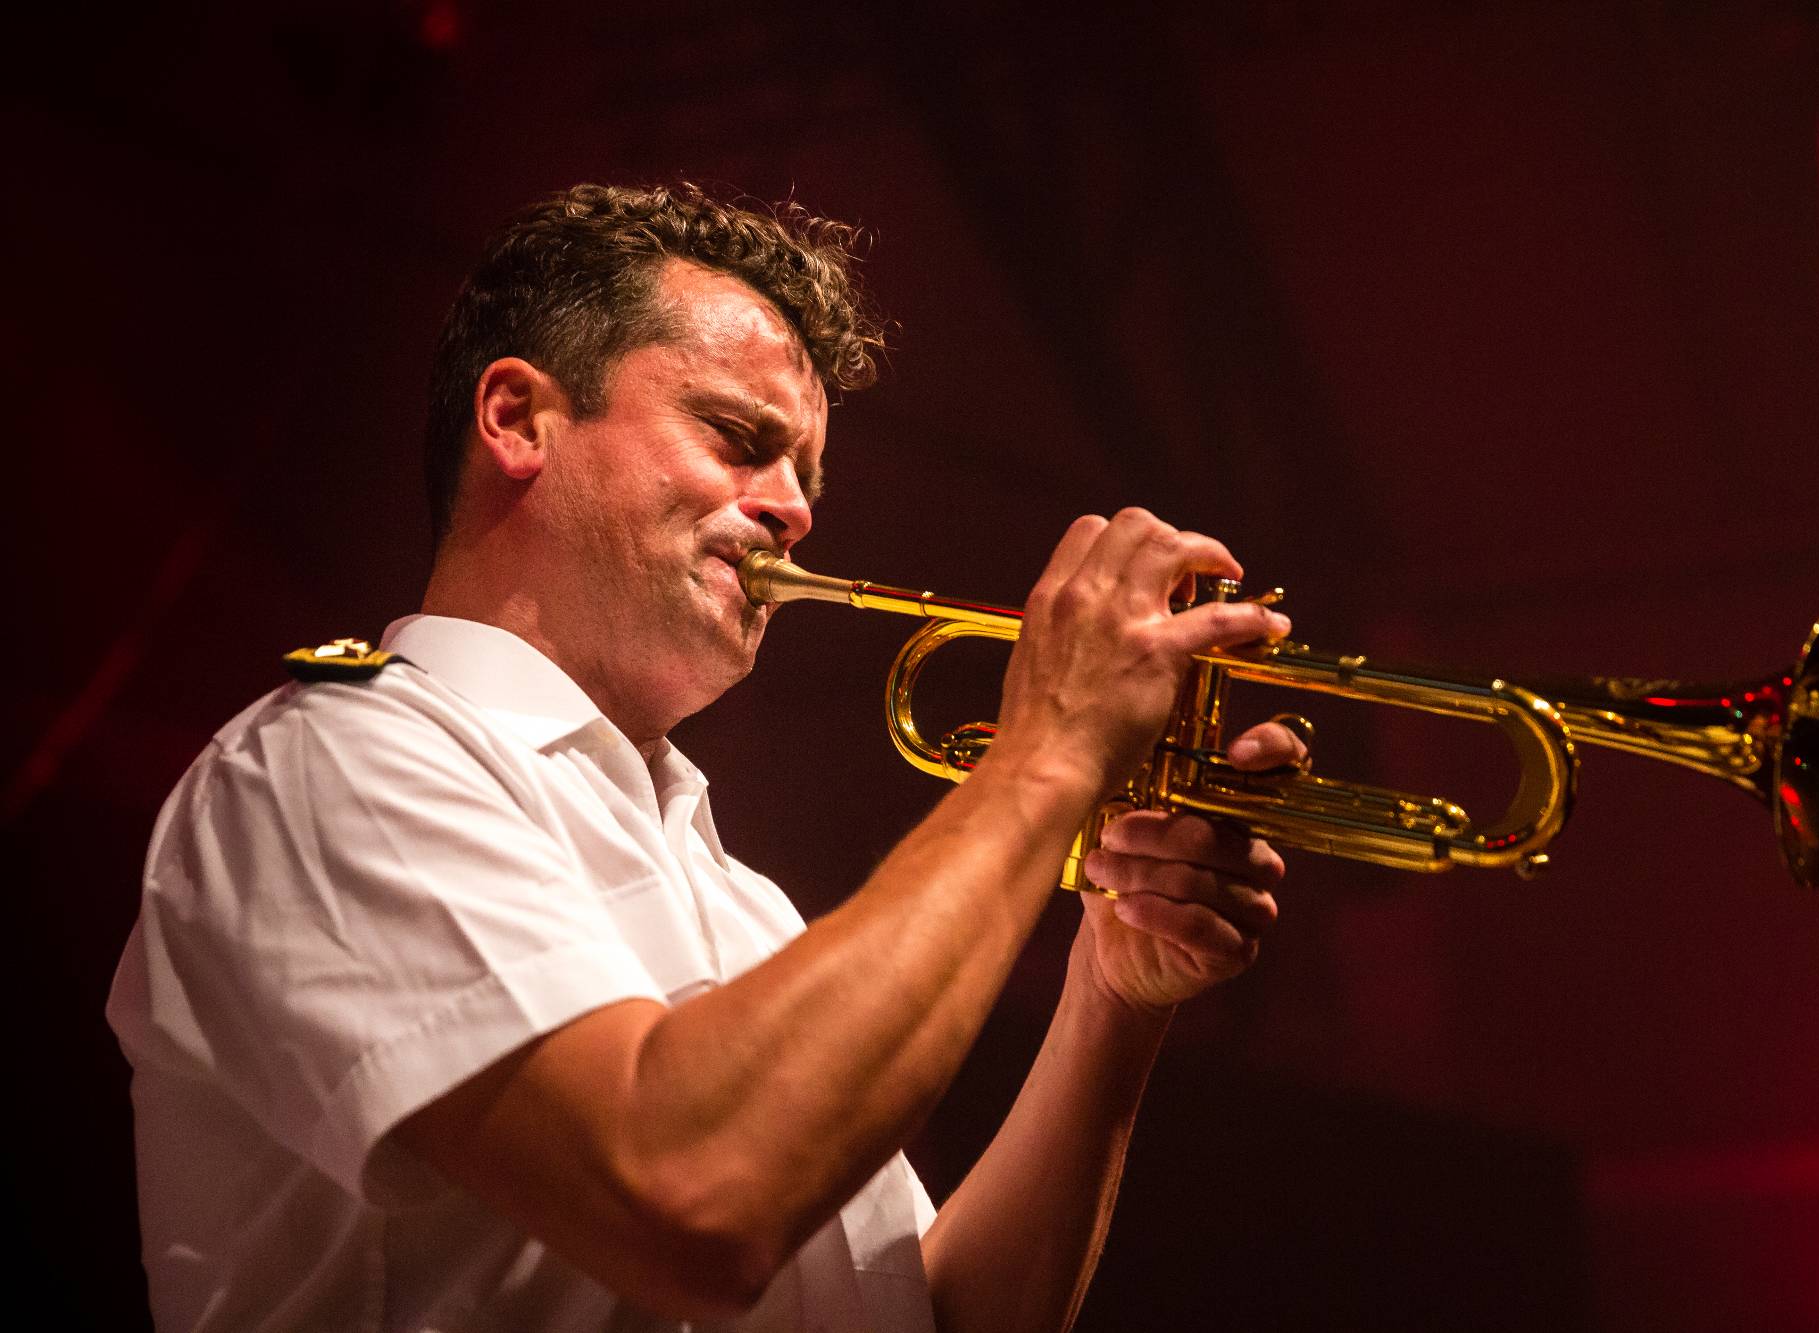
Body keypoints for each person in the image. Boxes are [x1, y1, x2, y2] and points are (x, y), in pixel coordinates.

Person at [107, 182, 1302, 1331]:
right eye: (737, 437)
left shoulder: (746, 904)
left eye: (805, 476)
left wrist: (1110, 993)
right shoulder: (330, 763)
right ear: (517, 419)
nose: (793, 509)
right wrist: (1047, 755)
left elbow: (931, 1314)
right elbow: (687, 1196)